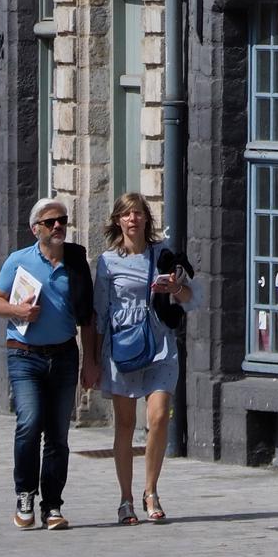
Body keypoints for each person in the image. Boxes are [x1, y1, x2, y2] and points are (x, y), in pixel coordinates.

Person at [0, 195, 101, 531]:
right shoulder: (18, 261)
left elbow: (87, 317)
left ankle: (52, 505)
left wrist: (90, 361)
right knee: (29, 422)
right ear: (35, 228)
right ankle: (25, 493)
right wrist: (17, 311)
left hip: (65, 355)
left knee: (58, 435)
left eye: (62, 221)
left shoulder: (76, 261)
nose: (58, 227)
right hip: (25, 355)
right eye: (51, 222)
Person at [95, 190, 194, 525]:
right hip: (123, 347)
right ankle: (125, 499)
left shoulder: (163, 255)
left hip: (160, 345)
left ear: (146, 219)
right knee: (124, 424)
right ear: (117, 221)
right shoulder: (108, 262)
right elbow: (99, 313)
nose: (132, 219)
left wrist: (175, 289)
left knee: (158, 418)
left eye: (138, 213)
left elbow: (191, 297)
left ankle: (150, 490)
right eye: (126, 214)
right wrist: (91, 361)